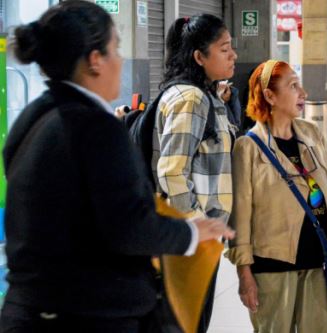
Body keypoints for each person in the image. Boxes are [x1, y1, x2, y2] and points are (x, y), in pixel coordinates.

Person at [0, 2, 233, 332]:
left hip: (28, 310)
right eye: (115, 49)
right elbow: (128, 225)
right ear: (95, 60)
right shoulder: (95, 126)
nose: (121, 61)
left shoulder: (34, 116)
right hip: (87, 316)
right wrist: (192, 231)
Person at [227, 60, 327, 333]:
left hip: (321, 264)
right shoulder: (247, 148)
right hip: (271, 269)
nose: (303, 93)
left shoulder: (312, 134)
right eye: (293, 86)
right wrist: (244, 272)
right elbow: (240, 217)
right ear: (269, 96)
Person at [152, 14, 237, 333]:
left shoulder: (205, 95)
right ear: (199, 57)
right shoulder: (191, 99)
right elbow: (172, 170)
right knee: (189, 323)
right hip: (190, 240)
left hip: (196, 237)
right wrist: (196, 225)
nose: (233, 56)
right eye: (224, 49)